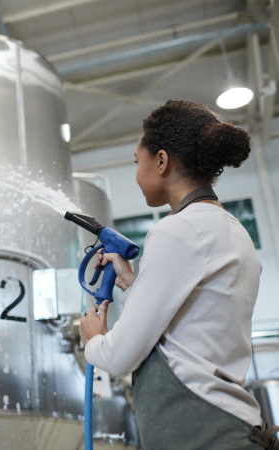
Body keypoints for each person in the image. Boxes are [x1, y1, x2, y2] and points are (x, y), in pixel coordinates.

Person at [79, 100, 266, 449]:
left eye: (138, 162)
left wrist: (93, 340)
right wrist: (132, 283)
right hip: (231, 427)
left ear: (161, 161)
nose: (137, 173)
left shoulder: (178, 231)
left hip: (199, 430)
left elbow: (119, 356)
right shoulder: (230, 230)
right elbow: (190, 332)